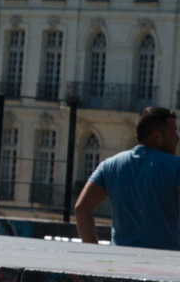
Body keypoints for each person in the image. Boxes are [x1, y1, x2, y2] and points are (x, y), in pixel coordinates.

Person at [74, 106, 180, 249]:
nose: (177, 138)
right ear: (157, 137)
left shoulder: (110, 165)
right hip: (163, 262)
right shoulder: (176, 166)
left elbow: (81, 208)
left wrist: (93, 253)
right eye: (174, 131)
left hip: (121, 262)